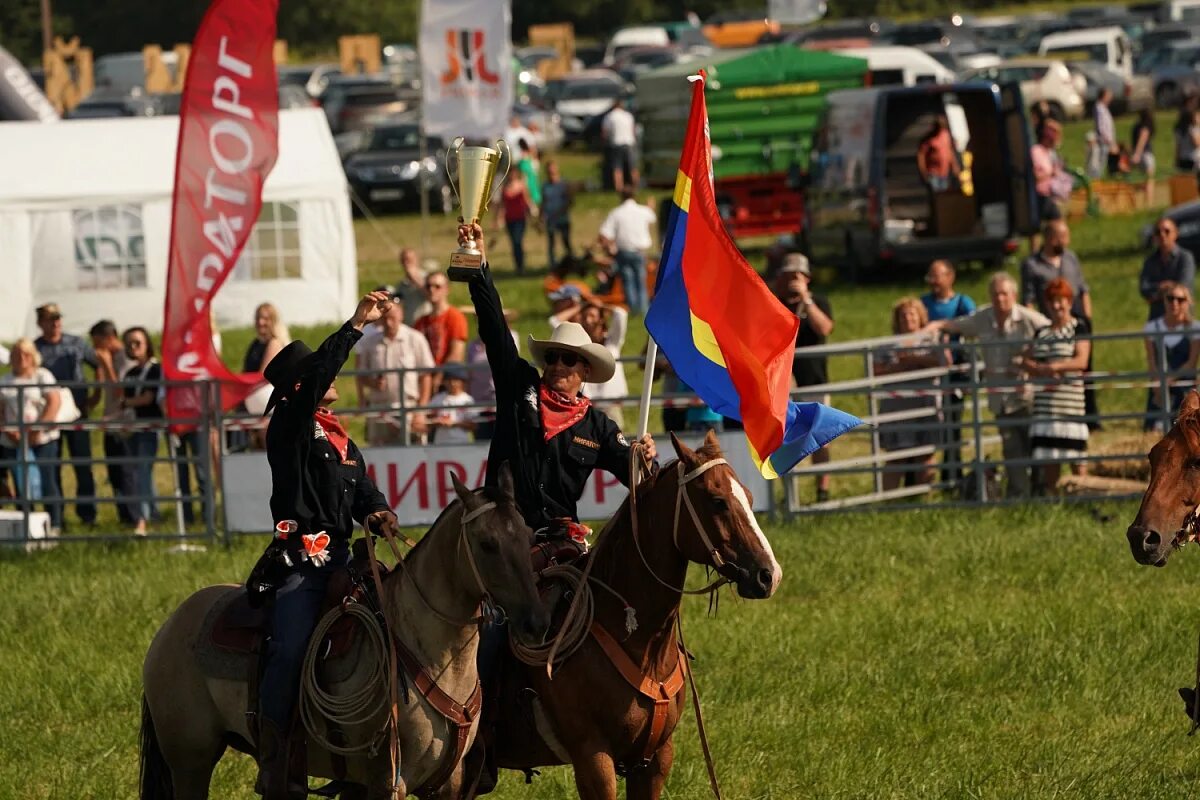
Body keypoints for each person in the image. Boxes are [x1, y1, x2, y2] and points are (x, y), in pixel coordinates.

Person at [463, 221, 656, 790]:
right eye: (553, 359)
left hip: (568, 539)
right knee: (495, 625)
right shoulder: (518, 391)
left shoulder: (599, 425)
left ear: (585, 372)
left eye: (570, 363)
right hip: (509, 533)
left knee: (613, 607)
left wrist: (643, 457)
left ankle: (619, 708)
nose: (559, 370)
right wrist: (479, 271)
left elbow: (637, 479)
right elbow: (496, 332)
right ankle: (483, 728)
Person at [251, 291, 398, 799]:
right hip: (300, 562)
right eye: (318, 371)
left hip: (345, 558)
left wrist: (377, 512)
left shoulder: (341, 440)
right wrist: (356, 324)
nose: (330, 375)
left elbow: (363, 491)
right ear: (300, 386)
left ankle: (369, 739)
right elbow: (317, 376)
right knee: (290, 645)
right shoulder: (289, 425)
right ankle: (274, 754)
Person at [927, 273, 1050, 499]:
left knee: (1037, 449)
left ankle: (1041, 493)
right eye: (995, 294)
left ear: (1014, 295)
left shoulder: (1029, 318)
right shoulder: (983, 317)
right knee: (1012, 451)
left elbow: (1050, 333)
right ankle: (1019, 497)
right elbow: (959, 326)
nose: (999, 299)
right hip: (1001, 401)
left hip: (1029, 396)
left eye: (1004, 294)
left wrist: (1031, 356)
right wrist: (937, 325)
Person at [773, 253, 835, 502]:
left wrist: (806, 300)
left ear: (807, 278)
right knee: (788, 441)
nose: (792, 281)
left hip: (815, 381)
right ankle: (791, 496)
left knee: (821, 439)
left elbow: (825, 328)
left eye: (797, 276)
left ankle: (823, 490)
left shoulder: (818, 302)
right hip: (783, 386)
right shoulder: (774, 304)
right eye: (787, 276)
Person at [1021, 278, 1091, 495]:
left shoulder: (1078, 327)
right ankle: (1053, 499)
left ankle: (1083, 497)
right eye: (1053, 302)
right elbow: (1025, 359)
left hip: (1069, 405)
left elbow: (1081, 361)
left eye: (1062, 301)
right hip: (1045, 406)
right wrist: (1036, 368)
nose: (1058, 306)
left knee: (1076, 458)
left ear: (1069, 302)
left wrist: (1053, 367)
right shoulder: (1041, 332)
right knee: (1050, 460)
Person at [33, 303, 97, 529]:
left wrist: (95, 396)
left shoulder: (77, 344)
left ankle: (88, 515)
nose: (56, 323)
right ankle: (56, 516)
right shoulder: (35, 348)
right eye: (50, 319)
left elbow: (99, 364)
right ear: (40, 323)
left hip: (77, 414)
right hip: (49, 416)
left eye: (58, 318)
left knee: (83, 464)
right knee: (52, 466)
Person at [873, 298, 947, 491]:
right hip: (896, 409)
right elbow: (875, 371)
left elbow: (943, 363)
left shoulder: (932, 340)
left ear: (920, 316)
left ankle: (923, 496)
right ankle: (888, 500)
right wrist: (903, 365)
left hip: (925, 405)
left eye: (912, 314)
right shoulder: (886, 345)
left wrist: (912, 358)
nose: (908, 318)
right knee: (896, 457)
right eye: (903, 315)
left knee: (926, 453)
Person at [921, 260, 975, 486]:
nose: (934, 282)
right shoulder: (922, 303)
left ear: (950, 277)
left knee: (953, 424)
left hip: (954, 374)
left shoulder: (962, 302)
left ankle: (952, 473)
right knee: (929, 425)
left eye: (938, 276)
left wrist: (941, 326)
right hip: (927, 372)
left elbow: (974, 325)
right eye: (931, 277)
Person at [355, 294, 434, 445]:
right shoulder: (369, 343)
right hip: (379, 410)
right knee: (379, 457)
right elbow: (361, 375)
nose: (389, 323)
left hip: (409, 408)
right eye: (385, 318)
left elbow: (426, 377)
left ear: (401, 315)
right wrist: (372, 383)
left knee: (413, 452)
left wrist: (421, 411)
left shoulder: (415, 339)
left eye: (393, 317)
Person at [0, 339, 62, 531]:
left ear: (33, 356)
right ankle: (25, 526)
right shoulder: (5, 381)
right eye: (17, 353)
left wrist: (38, 428)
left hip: (42, 439)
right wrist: (10, 431)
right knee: (21, 483)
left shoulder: (43, 376)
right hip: (13, 441)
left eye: (26, 353)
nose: (21, 358)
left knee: (47, 480)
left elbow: (54, 401)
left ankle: (55, 525)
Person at [551, 298, 629, 427]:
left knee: (614, 443)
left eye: (592, 316)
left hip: (611, 405)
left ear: (601, 319)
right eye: (584, 316)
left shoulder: (612, 342)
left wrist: (601, 305)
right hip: (586, 407)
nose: (588, 320)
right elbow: (554, 321)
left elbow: (621, 314)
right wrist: (579, 307)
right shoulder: (579, 347)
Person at [118, 327, 162, 536]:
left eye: (137, 343)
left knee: (142, 470)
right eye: (129, 344)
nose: (133, 347)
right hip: (133, 427)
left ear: (147, 345)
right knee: (139, 471)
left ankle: (142, 518)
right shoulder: (129, 373)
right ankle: (152, 513)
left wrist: (127, 402)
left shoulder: (156, 369)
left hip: (149, 427)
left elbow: (148, 397)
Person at [89, 320, 133, 525]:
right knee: (115, 472)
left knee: (126, 472)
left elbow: (120, 391)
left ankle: (134, 514)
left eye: (97, 343)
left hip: (124, 424)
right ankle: (123, 514)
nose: (96, 349)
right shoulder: (111, 358)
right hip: (110, 423)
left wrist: (106, 364)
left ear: (109, 339)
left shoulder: (125, 357)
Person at [1144, 281, 1200, 432]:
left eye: (1180, 299)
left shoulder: (1194, 328)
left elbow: (1191, 362)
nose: (1174, 303)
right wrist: (1158, 382)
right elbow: (1151, 359)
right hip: (1158, 385)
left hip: (1183, 386)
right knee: (1154, 433)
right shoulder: (1152, 327)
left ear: (1187, 303)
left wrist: (1168, 380)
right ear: (1164, 300)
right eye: (1170, 298)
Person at [597, 187, 657, 315]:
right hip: (639, 252)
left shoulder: (616, 213)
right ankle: (643, 310)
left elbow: (604, 234)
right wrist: (650, 206)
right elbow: (652, 217)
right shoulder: (642, 211)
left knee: (628, 282)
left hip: (623, 252)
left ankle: (634, 310)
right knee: (641, 281)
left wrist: (608, 247)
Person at [238, 303, 290, 451]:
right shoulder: (255, 344)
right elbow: (245, 371)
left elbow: (263, 375)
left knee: (267, 436)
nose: (261, 322)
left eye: (266, 318)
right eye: (259, 318)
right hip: (253, 399)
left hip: (268, 401)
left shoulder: (274, 343)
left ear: (273, 321)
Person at [1020, 220, 1092, 321]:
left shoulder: (1070, 258)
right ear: (1049, 238)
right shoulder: (1032, 265)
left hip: (1076, 319)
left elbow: (1083, 290)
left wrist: (1087, 318)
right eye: (1062, 237)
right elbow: (1028, 300)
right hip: (1050, 322)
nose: (1066, 242)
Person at [1140, 217, 1197, 320]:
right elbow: (1144, 288)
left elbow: (1183, 285)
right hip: (1157, 317)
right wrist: (1165, 287)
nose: (1162, 235)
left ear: (1175, 234)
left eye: (1167, 231)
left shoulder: (1185, 258)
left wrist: (1157, 293)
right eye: (1158, 232)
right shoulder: (1150, 261)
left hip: (1181, 318)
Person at [414, 272, 469, 375]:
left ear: (447, 290)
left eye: (437, 286)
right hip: (424, 379)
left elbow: (456, 354)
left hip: (447, 379)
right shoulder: (420, 322)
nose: (431, 290)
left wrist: (439, 376)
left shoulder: (455, 316)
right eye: (428, 286)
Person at [1031, 119, 1073, 223]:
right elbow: (1034, 176)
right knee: (1052, 222)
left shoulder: (1048, 153)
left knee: (1055, 221)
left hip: (1049, 196)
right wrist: (1051, 173)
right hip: (1040, 196)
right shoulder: (1036, 152)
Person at [495, 169, 534, 274]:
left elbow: (527, 201)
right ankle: (518, 266)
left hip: (520, 219)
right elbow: (502, 205)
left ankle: (521, 265)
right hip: (509, 219)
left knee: (518, 241)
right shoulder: (505, 188)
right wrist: (499, 218)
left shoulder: (521, 186)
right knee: (513, 243)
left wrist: (532, 213)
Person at [429, 365, 475, 444]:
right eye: (448, 380)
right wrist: (436, 421)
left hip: (461, 442)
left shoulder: (467, 400)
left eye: (456, 380)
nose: (452, 383)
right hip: (440, 443)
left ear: (462, 381)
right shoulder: (437, 398)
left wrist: (454, 423)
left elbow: (473, 425)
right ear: (443, 381)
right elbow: (428, 419)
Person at [601, 97, 638, 192]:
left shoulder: (609, 116)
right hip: (629, 143)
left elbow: (605, 133)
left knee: (617, 168)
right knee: (632, 167)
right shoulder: (629, 116)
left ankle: (619, 188)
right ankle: (635, 185)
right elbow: (633, 131)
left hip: (616, 144)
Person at [541, 159, 573, 269]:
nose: (552, 173)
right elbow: (543, 202)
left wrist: (561, 211)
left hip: (562, 219)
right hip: (550, 220)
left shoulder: (564, 184)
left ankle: (571, 262)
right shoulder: (545, 186)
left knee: (566, 242)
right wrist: (542, 216)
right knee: (551, 244)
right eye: (549, 171)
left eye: (553, 171)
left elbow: (570, 201)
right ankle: (553, 265)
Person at [916, 114, 959, 193]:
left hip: (945, 173)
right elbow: (921, 155)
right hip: (933, 174)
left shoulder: (946, 135)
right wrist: (923, 171)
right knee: (936, 196)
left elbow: (950, 152)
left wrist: (954, 166)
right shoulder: (929, 139)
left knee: (945, 196)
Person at [393, 247, 432, 324]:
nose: (407, 263)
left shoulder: (428, 278)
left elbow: (431, 295)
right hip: (410, 326)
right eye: (404, 260)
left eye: (410, 260)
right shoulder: (401, 284)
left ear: (417, 260)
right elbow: (397, 304)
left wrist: (415, 278)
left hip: (426, 325)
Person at [1131, 108, 1157, 205]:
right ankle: (1149, 204)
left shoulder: (1136, 126)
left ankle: (1144, 200)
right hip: (1146, 154)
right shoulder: (1145, 126)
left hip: (1139, 154)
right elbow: (1143, 139)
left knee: (1144, 179)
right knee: (1150, 180)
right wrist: (1137, 154)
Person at [1094, 88, 1119, 175]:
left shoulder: (1104, 108)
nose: (1110, 98)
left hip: (1107, 141)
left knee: (1104, 163)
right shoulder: (1099, 108)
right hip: (1104, 142)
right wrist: (1110, 142)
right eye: (1108, 96)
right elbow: (1102, 128)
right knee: (1100, 163)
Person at [515, 138, 542, 208]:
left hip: (531, 183)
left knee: (532, 203)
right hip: (526, 182)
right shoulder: (525, 159)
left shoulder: (532, 161)